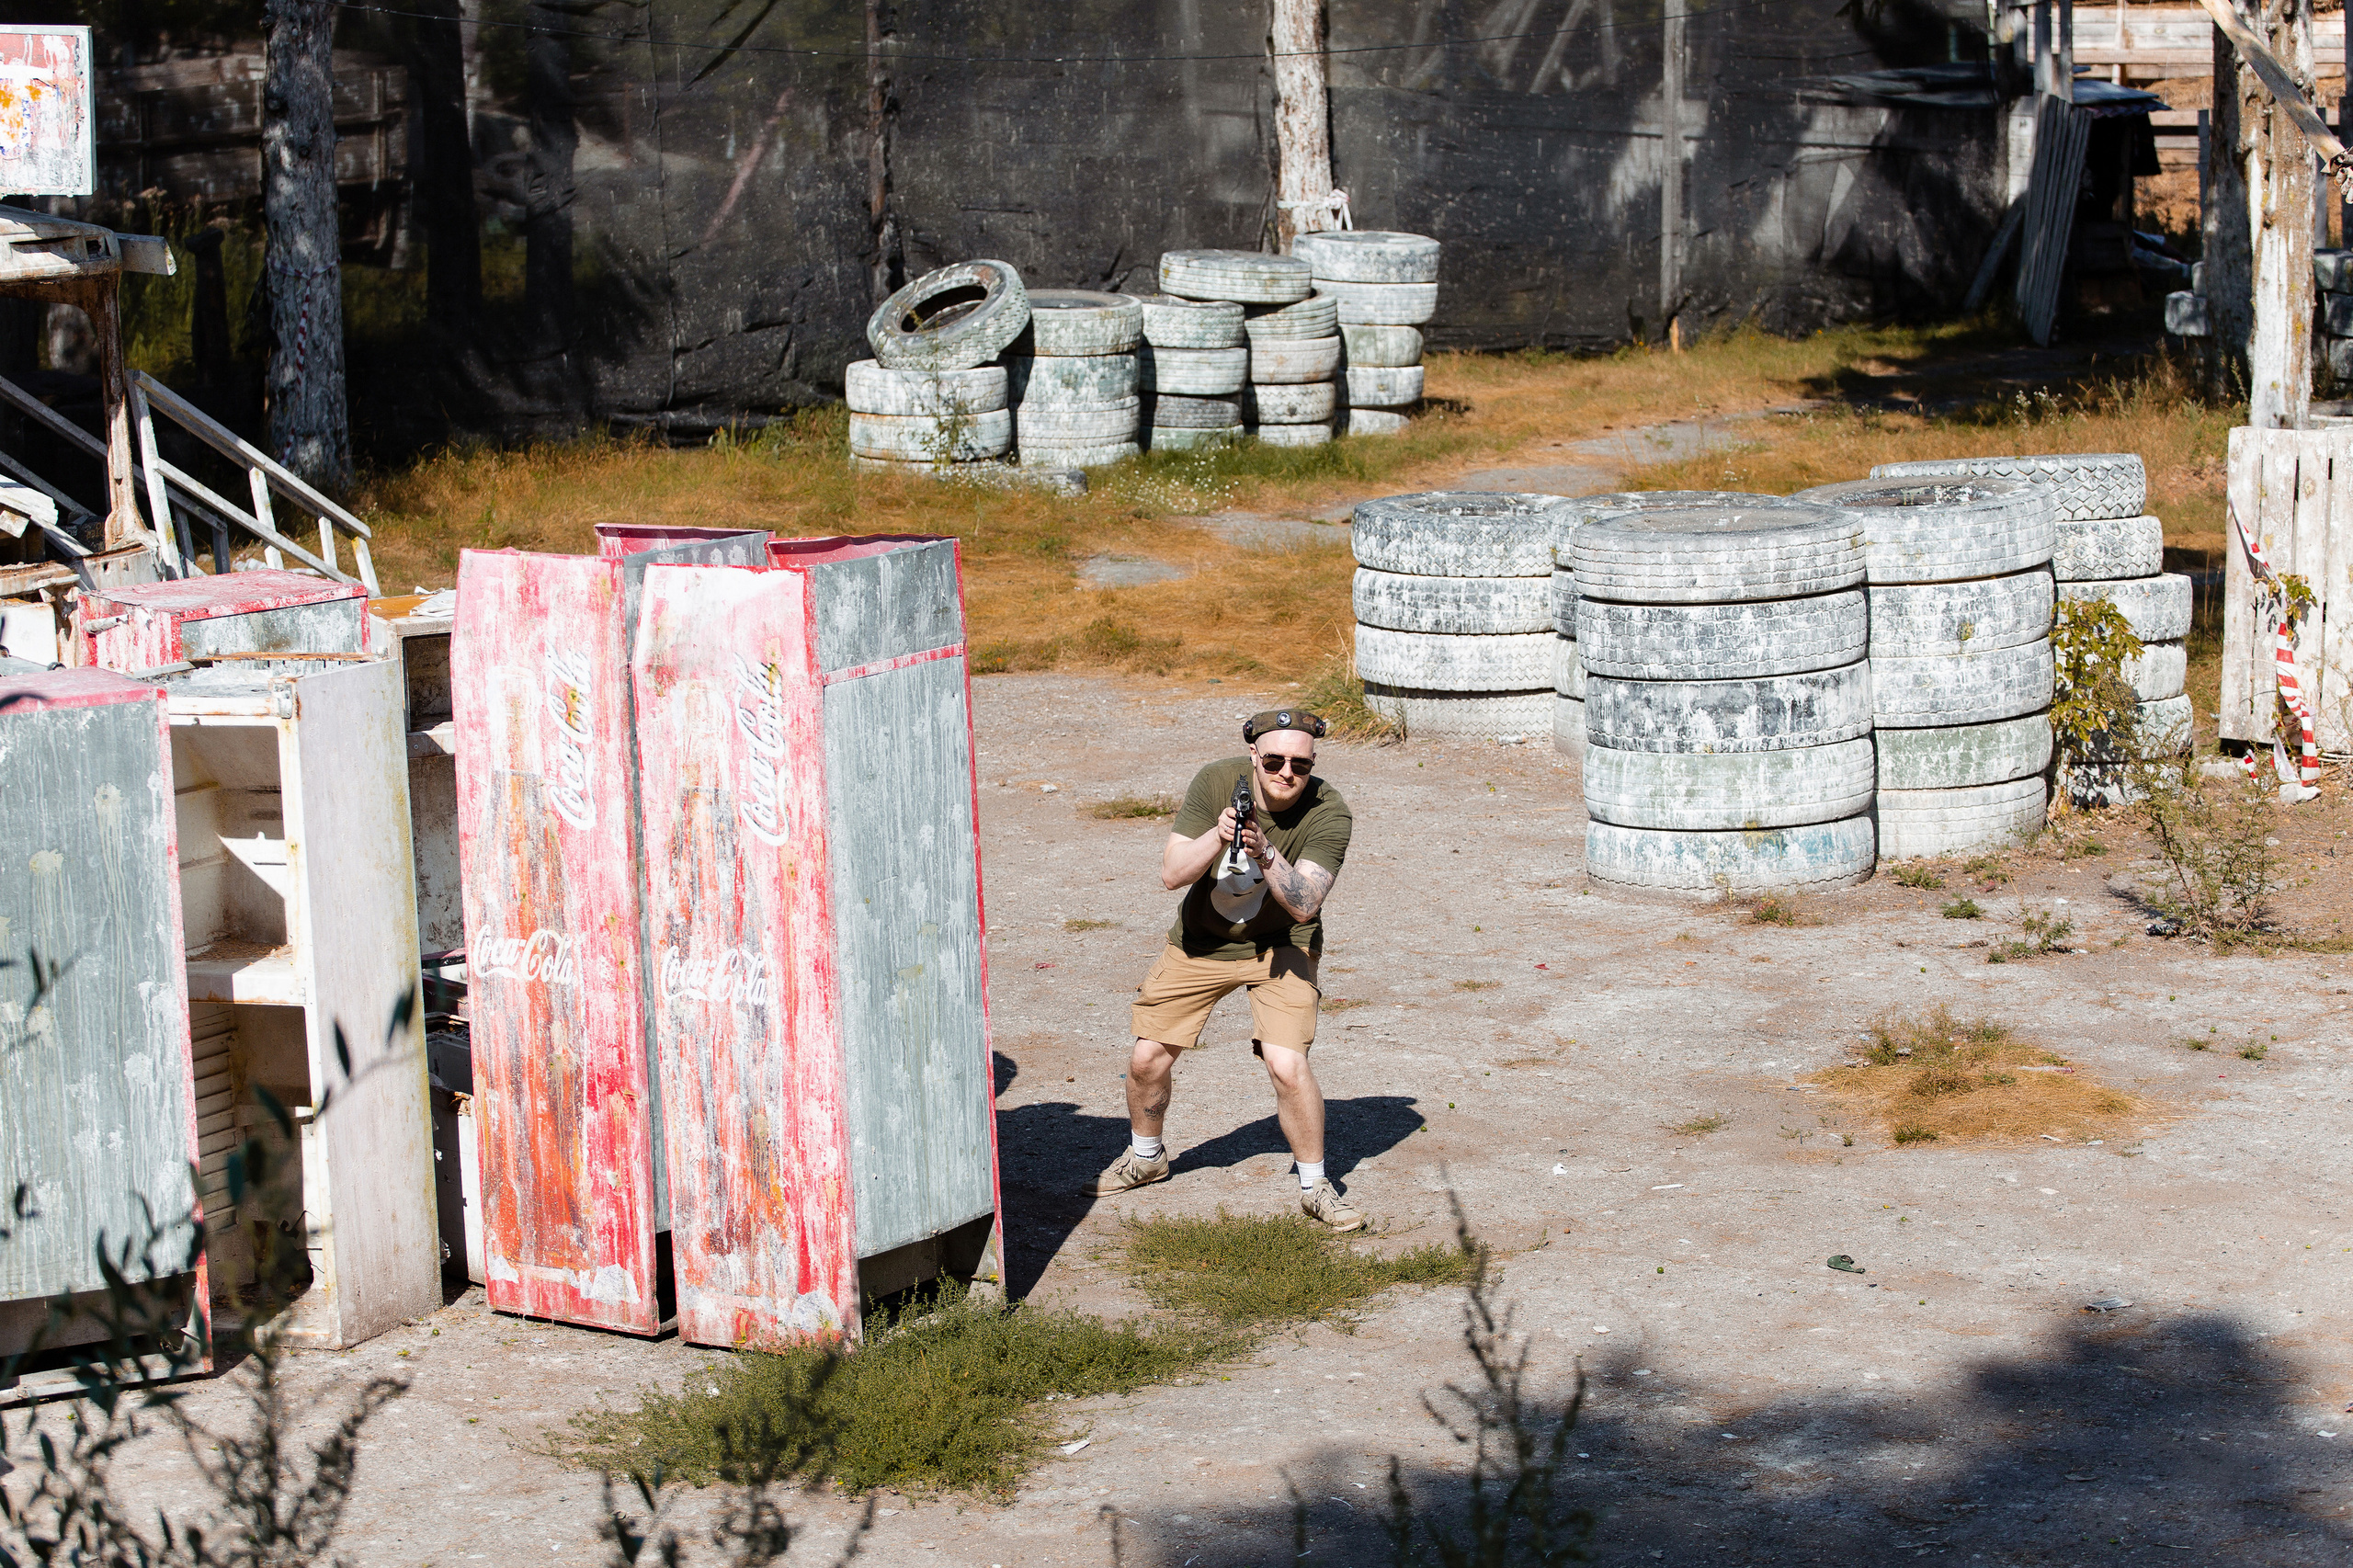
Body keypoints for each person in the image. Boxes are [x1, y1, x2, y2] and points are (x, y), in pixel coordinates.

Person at [1085, 708, 1360, 1231]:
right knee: (1146, 1059)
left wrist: (1264, 849)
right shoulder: (1215, 782)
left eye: (1299, 764)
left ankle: (1315, 1184)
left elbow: (1305, 904)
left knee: (1286, 1065)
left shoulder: (1330, 811)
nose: (1286, 773)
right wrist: (1221, 833)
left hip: (1283, 945)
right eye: (1274, 759)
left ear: (1313, 764)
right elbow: (1172, 873)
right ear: (1253, 756)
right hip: (1203, 942)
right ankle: (1146, 1158)